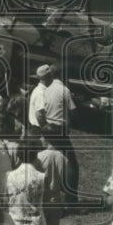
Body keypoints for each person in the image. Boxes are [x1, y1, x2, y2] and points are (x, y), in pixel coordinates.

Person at [28, 64, 79, 205]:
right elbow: (73, 111)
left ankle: (45, 193)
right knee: (71, 164)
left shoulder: (45, 90)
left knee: (46, 160)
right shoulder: (63, 90)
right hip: (55, 129)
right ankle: (70, 199)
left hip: (46, 128)